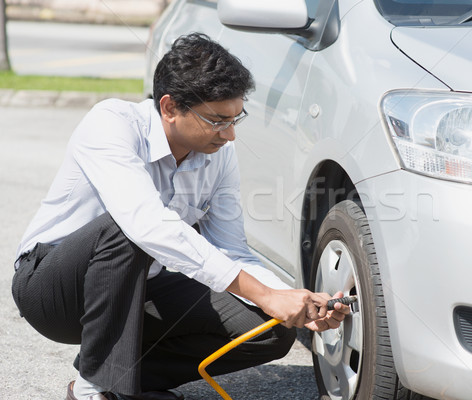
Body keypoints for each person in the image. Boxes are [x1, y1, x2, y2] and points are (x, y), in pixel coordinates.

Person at [11, 33, 349, 400]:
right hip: (52, 289)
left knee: (271, 326)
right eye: (218, 120)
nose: (231, 135)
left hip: (140, 290)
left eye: (236, 118)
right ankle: (97, 389)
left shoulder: (218, 155)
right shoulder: (111, 124)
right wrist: (265, 293)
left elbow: (231, 250)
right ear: (170, 108)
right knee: (128, 230)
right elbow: (146, 224)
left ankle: (120, 380)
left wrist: (289, 300)